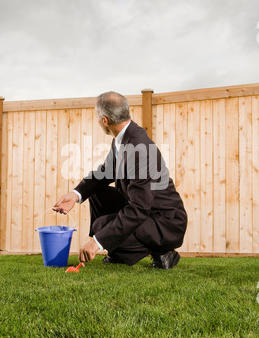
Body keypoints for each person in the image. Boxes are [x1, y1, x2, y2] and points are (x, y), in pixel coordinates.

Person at [53, 91, 187, 269]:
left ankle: (162, 252)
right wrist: (76, 195)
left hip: (165, 223)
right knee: (97, 193)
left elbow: (139, 209)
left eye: (97, 116)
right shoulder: (122, 138)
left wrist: (98, 241)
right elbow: (104, 173)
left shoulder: (140, 148)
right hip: (147, 211)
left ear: (105, 120)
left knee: (102, 228)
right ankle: (117, 250)